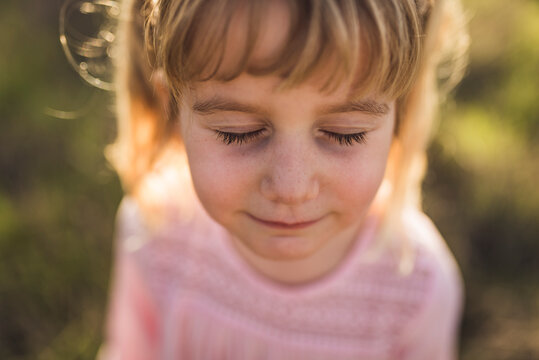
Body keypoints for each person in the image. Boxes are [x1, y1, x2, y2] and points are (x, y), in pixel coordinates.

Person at [88, 0, 469, 358]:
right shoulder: (156, 230)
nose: (292, 188)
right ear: (170, 107)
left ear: (398, 118)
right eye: (237, 131)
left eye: (344, 133)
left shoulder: (416, 290)